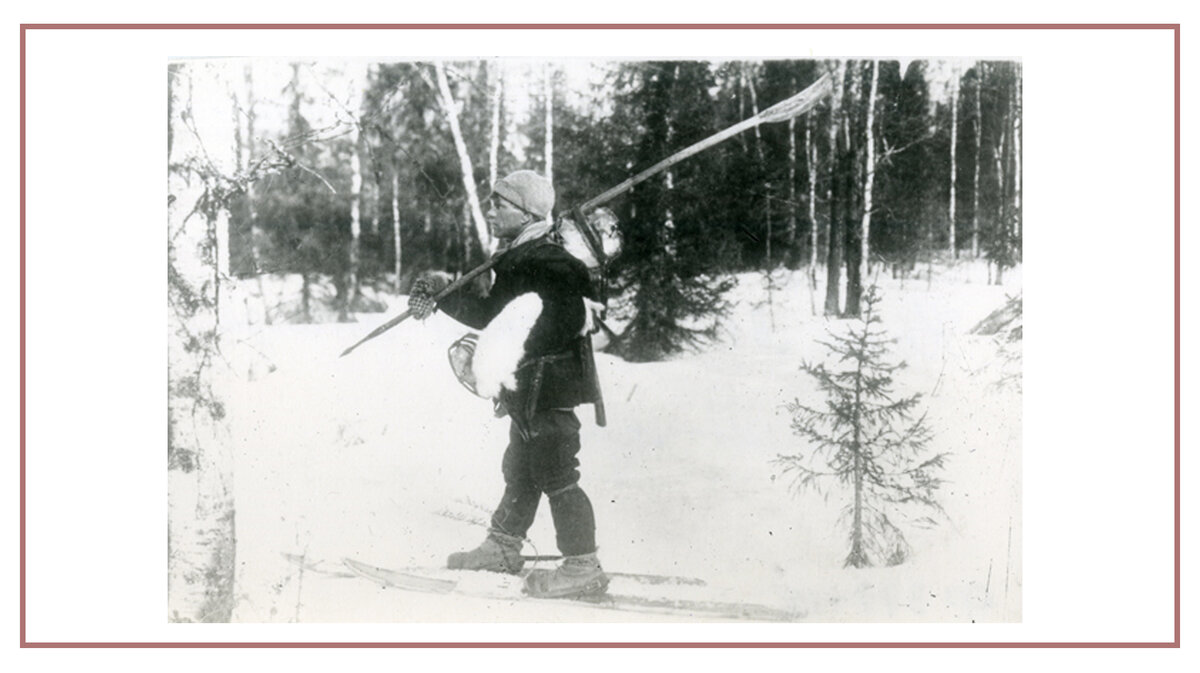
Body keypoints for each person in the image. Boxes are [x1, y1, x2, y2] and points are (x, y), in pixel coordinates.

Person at [407, 170, 607, 599]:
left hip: (548, 387)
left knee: (556, 471)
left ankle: (582, 565)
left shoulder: (552, 262)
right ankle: (503, 546)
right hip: (525, 386)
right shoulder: (519, 255)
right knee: (521, 467)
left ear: (525, 212)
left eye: (499, 204)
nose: (491, 211)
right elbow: (491, 316)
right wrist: (443, 294)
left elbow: (565, 320)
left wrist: (510, 344)